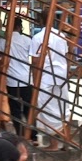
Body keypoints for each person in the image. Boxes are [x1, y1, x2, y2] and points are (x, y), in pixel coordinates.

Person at [30, 17, 70, 148]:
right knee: (62, 107)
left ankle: (54, 143)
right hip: (61, 75)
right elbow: (67, 56)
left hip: (46, 76)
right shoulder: (61, 36)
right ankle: (66, 141)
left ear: (40, 21)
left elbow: (35, 62)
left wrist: (35, 81)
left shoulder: (37, 37)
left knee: (47, 108)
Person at [5, 16, 33, 139]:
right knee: (29, 108)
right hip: (26, 78)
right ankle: (33, 136)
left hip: (12, 80)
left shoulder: (3, 41)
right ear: (19, 27)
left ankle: (20, 133)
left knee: (15, 109)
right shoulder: (27, 40)